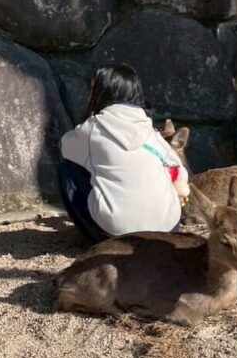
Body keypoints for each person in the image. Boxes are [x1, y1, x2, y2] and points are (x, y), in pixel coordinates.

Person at [58, 64, 189, 243]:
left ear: (102, 93)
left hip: (117, 234)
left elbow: (65, 147)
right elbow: (178, 169)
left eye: (93, 90)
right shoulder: (149, 128)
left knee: (67, 167)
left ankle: (95, 230)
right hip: (168, 228)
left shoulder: (93, 128)